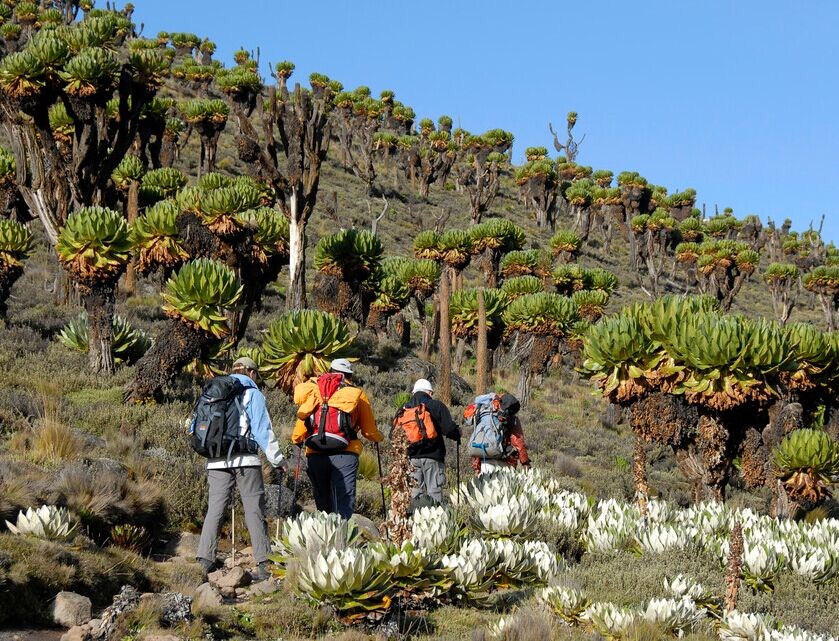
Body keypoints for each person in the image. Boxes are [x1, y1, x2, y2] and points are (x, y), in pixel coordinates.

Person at [195, 357, 286, 582]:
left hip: (216, 460)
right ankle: (264, 563)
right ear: (252, 373)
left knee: (215, 508)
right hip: (246, 460)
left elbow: (194, 427)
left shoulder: (213, 392)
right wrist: (278, 460)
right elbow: (263, 430)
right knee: (254, 509)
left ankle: (203, 561)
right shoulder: (253, 393)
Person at [292, 358, 382, 519]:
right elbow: (369, 431)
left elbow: (300, 429)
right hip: (346, 453)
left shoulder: (314, 390)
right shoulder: (356, 395)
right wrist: (378, 437)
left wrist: (297, 440)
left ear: (330, 371)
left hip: (315, 453)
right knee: (344, 501)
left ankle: (325, 536)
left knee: (322, 500)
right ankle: (341, 538)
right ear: (349, 375)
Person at [397, 378, 460, 506]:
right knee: (434, 491)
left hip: (412, 458)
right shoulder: (436, 405)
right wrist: (458, 434)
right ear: (430, 393)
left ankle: (415, 520)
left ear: (414, 392)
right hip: (433, 457)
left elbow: (394, 433)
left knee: (415, 492)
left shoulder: (404, 409)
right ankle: (435, 520)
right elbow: (449, 429)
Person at [470, 392, 530, 475]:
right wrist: (525, 462)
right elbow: (518, 441)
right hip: (503, 460)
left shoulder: (485, 412)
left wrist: (476, 467)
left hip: (483, 459)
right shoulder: (512, 419)